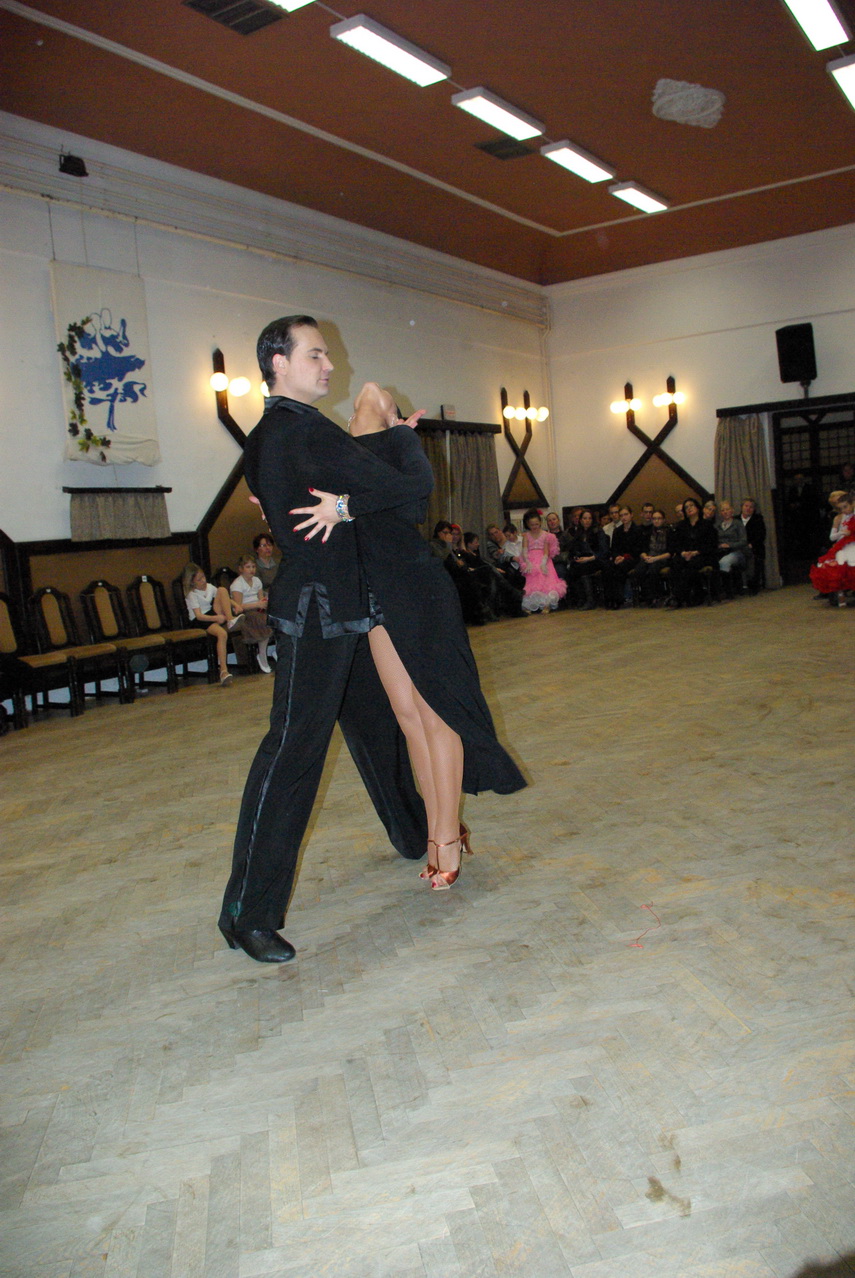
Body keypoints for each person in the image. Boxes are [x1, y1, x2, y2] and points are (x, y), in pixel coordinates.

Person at [219, 315, 433, 964]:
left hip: (339, 604)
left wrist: (363, 477)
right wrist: (401, 440)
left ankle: (413, 834)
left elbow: (356, 488)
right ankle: (247, 915)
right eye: (315, 355)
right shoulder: (302, 429)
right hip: (317, 612)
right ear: (278, 363)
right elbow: (411, 489)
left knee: (376, 728)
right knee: (292, 755)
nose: (329, 365)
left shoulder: (274, 434)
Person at [300, 381, 525, 889]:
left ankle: (445, 838)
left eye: (376, 406)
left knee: (434, 713)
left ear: (391, 417)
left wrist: (394, 435)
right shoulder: (345, 458)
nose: (363, 401)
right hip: (374, 597)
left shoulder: (400, 444)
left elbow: (418, 486)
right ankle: (439, 827)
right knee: (407, 717)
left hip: (417, 590)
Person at [182, 562, 243, 686]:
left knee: (222, 590)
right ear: (192, 582)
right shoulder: (192, 595)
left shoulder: (209, 587)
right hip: (200, 620)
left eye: (203, 577)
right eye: (199, 580)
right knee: (222, 634)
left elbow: (225, 597)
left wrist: (235, 605)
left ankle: (230, 619)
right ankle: (223, 671)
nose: (203, 581)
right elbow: (199, 616)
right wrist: (216, 618)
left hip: (211, 613)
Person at [668, 497, 719, 606]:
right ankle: (682, 595)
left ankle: (681, 596)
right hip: (686, 555)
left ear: (698, 508)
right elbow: (676, 544)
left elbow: (711, 544)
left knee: (692, 565)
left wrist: (696, 552)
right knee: (675, 563)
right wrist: (683, 553)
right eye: (686, 507)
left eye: (691, 505)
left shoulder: (707, 524)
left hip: (703, 555)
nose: (689, 508)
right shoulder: (681, 526)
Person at [230, 554, 273, 672]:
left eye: (253, 566)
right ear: (241, 569)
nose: (251, 570)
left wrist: (264, 602)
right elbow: (238, 606)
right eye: (248, 567)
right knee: (262, 620)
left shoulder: (257, 580)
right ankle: (262, 655)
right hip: (245, 612)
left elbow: (260, 598)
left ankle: (277, 650)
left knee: (275, 616)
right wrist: (257, 605)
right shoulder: (237, 584)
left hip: (258, 608)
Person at [519, 508, 567, 613]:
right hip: (531, 560)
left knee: (546, 581)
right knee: (532, 581)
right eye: (532, 525)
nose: (534, 527)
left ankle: (546, 604)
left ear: (540, 522)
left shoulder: (546, 535)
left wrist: (544, 563)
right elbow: (524, 550)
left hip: (544, 560)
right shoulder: (526, 536)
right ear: (528, 524)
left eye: (536, 524)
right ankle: (530, 604)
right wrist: (527, 562)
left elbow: (546, 551)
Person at [810, 494, 855, 604]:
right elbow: (832, 537)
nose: (843, 510)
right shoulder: (838, 518)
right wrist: (842, 533)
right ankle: (839, 595)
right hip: (843, 544)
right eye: (840, 508)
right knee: (838, 568)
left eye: (845, 507)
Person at [634, 509, 674, 605]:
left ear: (663, 520)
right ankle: (646, 595)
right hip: (649, 557)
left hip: (663, 558)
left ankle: (656, 595)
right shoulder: (648, 533)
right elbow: (642, 549)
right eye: (654, 518)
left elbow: (671, 552)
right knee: (639, 569)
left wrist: (656, 558)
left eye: (659, 518)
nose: (656, 521)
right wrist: (645, 557)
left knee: (653, 569)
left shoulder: (669, 532)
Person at [715, 501, 748, 595]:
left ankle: (728, 592)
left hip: (736, 551)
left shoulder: (738, 524)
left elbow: (744, 541)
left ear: (732, 510)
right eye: (723, 510)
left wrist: (729, 545)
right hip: (721, 551)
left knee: (724, 562)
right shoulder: (717, 526)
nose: (725, 512)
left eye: (727, 509)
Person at [740, 498, 767, 593]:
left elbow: (761, 535)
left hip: (754, 548)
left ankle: (753, 585)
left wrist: (751, 544)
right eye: (746, 506)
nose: (748, 508)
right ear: (742, 507)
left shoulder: (758, 519)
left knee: (753, 557)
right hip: (738, 547)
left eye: (751, 507)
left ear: (754, 509)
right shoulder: (735, 519)